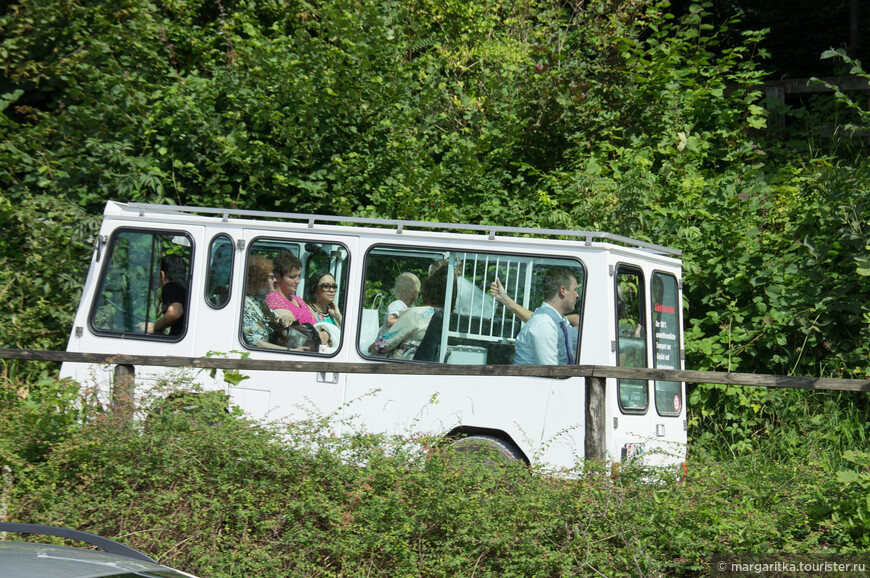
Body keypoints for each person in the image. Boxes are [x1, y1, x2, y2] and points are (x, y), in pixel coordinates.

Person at [370, 265, 451, 359]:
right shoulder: (449, 317)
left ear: (427, 291)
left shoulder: (415, 314)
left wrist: (374, 346)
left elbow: (383, 345)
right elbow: (389, 321)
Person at [501, 268, 579, 365]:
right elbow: (551, 373)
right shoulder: (543, 324)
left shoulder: (560, 322)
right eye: (575, 290)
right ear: (563, 291)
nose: (577, 295)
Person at [266, 252, 331, 347]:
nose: (297, 281)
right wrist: (326, 334)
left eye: (298, 276)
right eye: (292, 277)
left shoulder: (299, 300)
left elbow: (316, 325)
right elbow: (294, 333)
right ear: (278, 277)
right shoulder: (273, 298)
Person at [243, 255, 291, 350]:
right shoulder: (244, 305)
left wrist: (285, 318)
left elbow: (276, 320)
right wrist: (290, 351)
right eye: (271, 277)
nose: (275, 280)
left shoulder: (258, 301)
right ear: (258, 279)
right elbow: (257, 343)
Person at [145, 255, 188, 336]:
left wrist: (155, 327)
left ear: (162, 274)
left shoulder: (170, 286)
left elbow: (175, 312)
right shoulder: (188, 287)